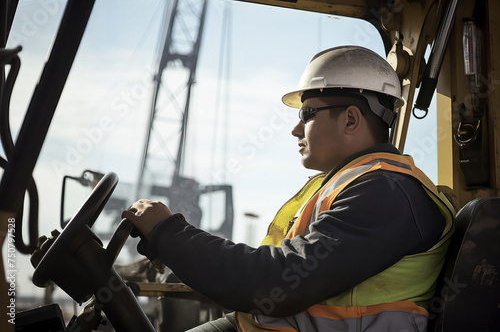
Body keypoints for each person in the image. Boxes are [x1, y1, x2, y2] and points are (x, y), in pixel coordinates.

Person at [123, 46, 455, 331]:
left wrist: (169, 234)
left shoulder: (387, 194)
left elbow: (277, 283)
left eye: (307, 114)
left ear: (351, 120)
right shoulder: (358, 185)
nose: (295, 129)